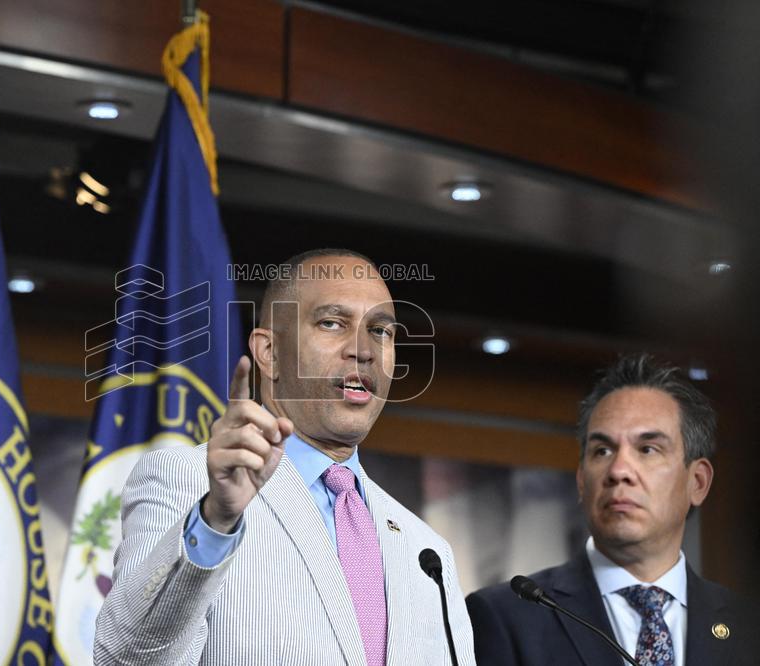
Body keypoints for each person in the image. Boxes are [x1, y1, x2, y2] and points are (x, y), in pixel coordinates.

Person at [94, 249, 476, 665]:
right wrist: (215, 522)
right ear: (269, 352)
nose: (363, 350)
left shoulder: (427, 551)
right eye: (332, 323)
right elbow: (126, 659)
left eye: (381, 331)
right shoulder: (190, 483)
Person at [466, 353, 759, 665]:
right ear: (581, 481)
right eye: (602, 450)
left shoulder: (750, 628)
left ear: (697, 482)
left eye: (648, 449)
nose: (619, 470)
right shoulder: (505, 616)